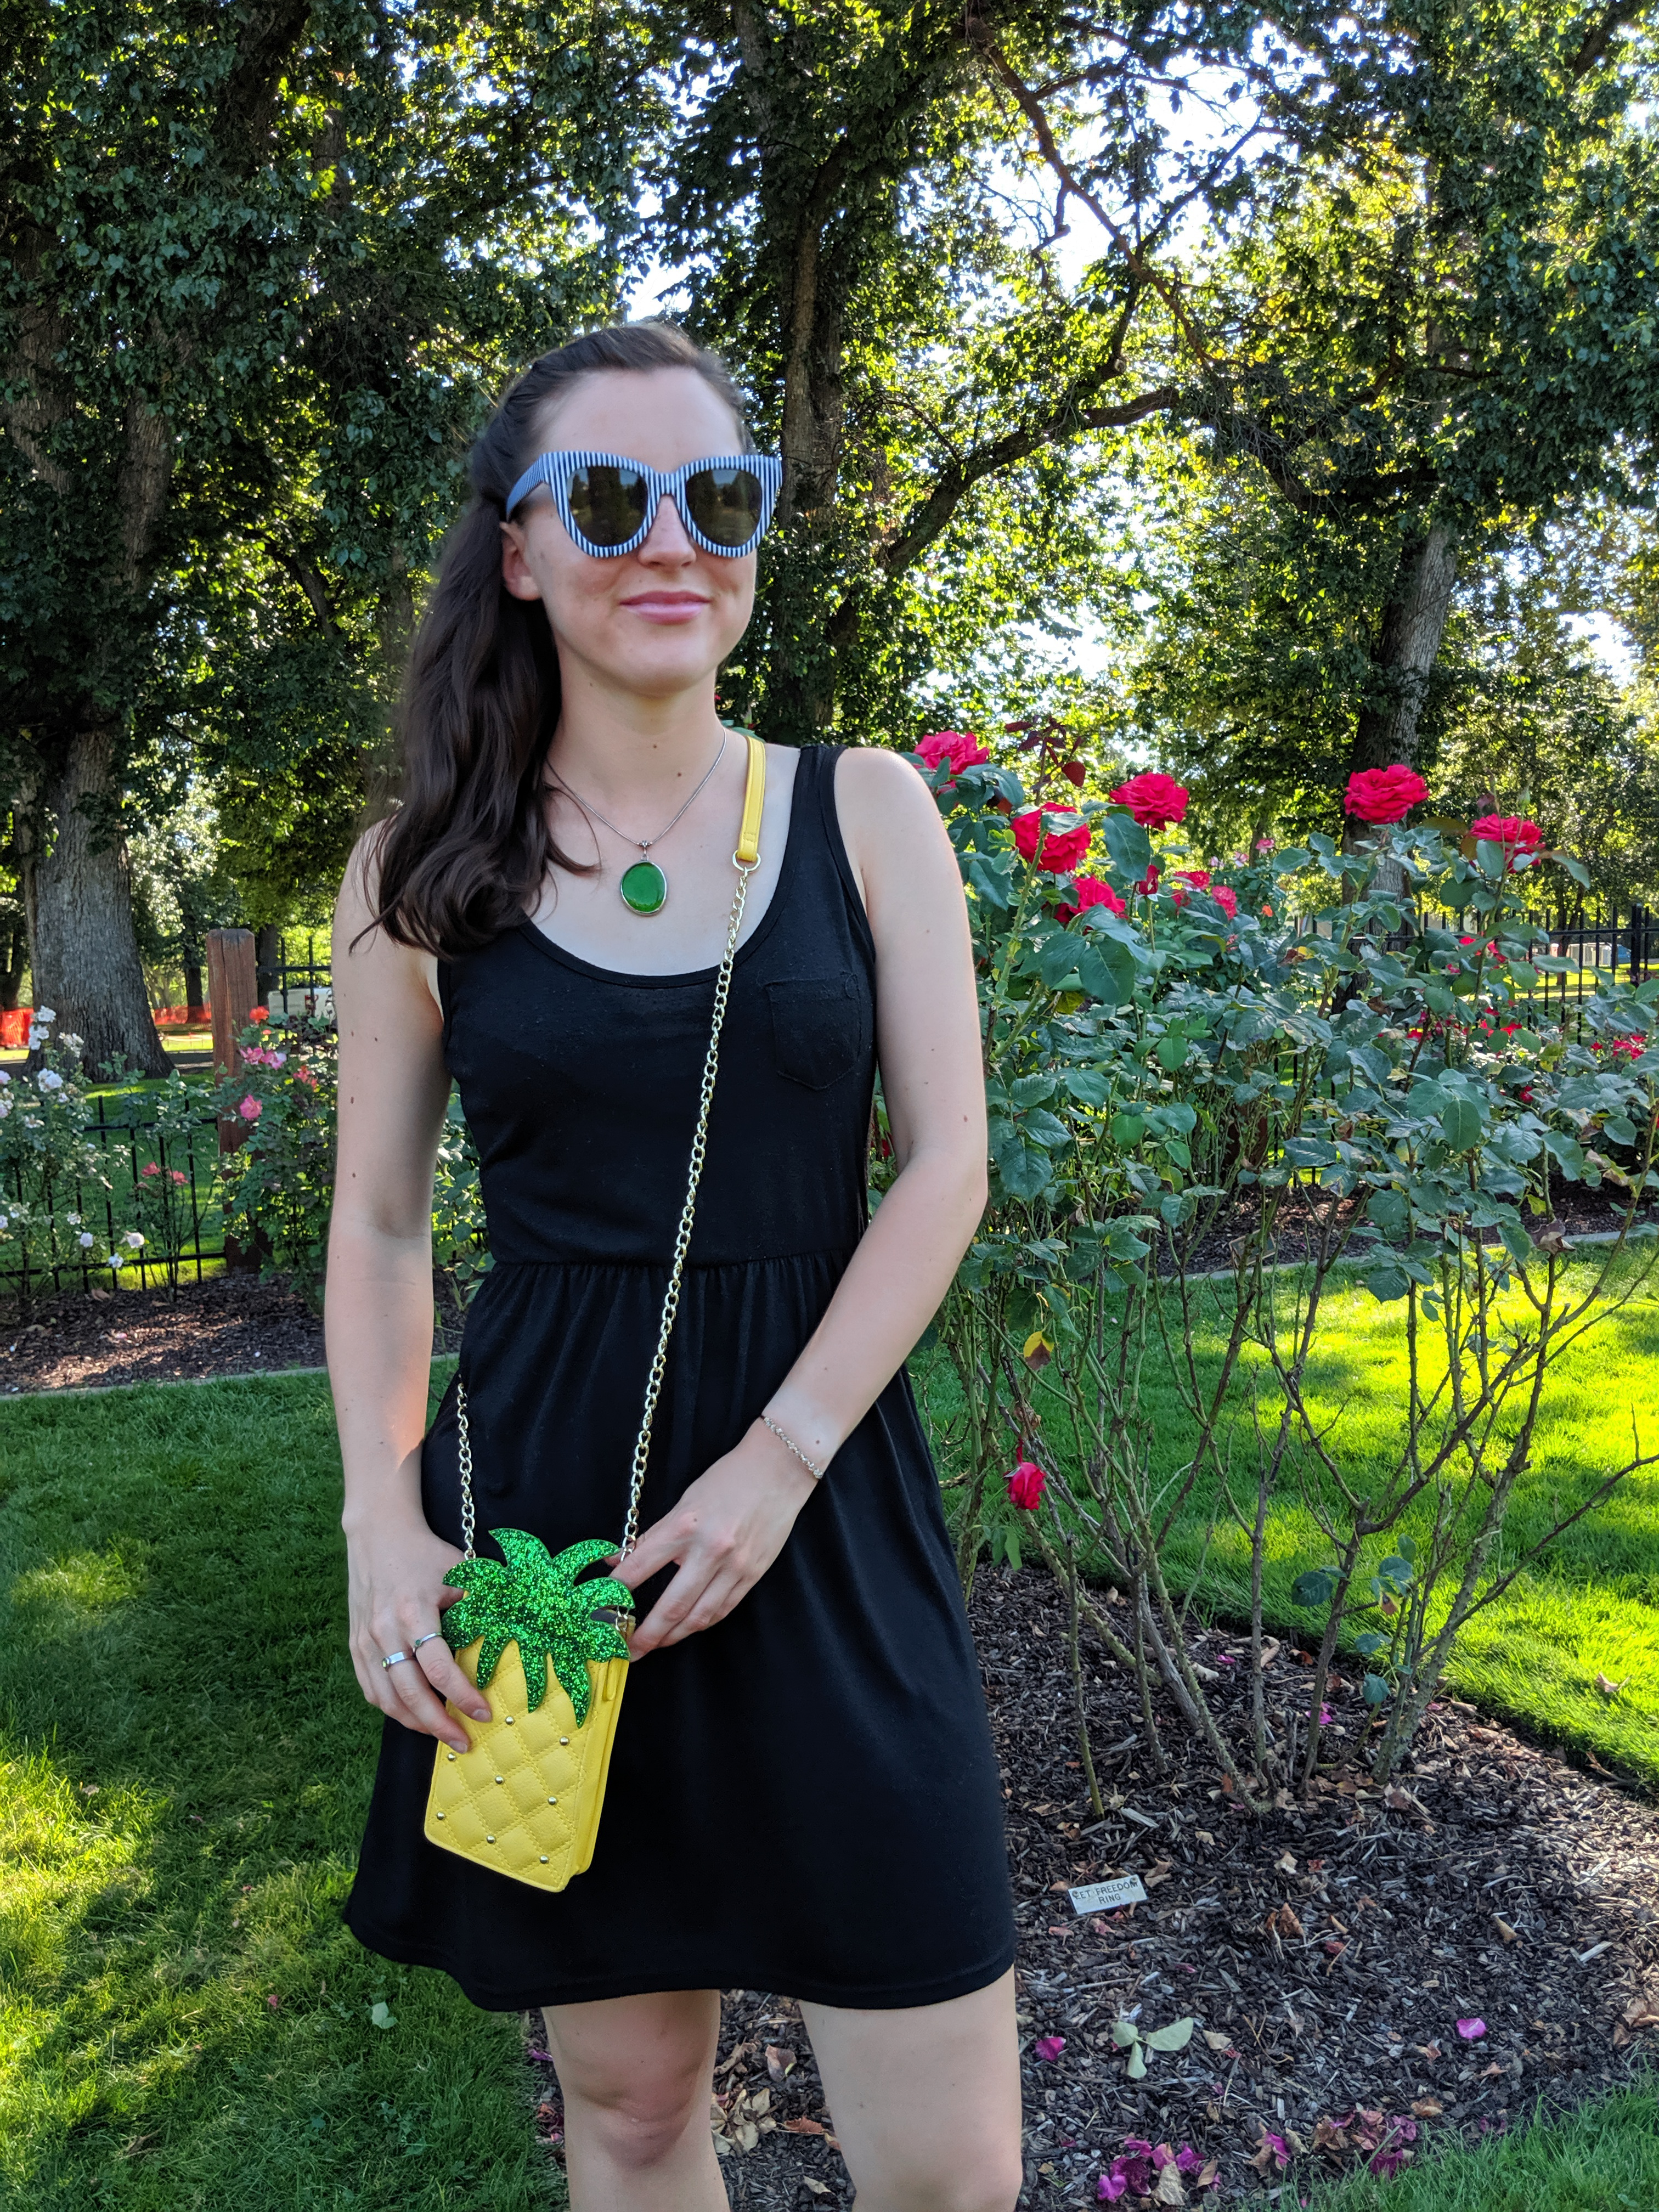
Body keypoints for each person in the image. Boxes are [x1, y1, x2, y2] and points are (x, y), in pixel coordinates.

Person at [326, 320, 1021, 2212]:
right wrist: (384, 1523)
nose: (673, 541)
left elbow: (943, 1165)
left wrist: (778, 1458)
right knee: (632, 2112)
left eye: (720, 496)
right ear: (522, 549)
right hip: (551, 1548)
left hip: (826, 1505)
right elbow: (382, 1226)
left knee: (952, 2164)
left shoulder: (864, 810)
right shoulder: (419, 875)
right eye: (610, 497)